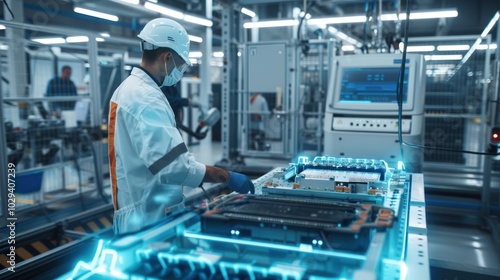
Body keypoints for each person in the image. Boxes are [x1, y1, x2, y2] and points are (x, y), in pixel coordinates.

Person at [107, 18, 254, 235]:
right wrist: (226, 177)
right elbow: (174, 167)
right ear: (167, 57)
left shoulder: (128, 88)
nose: (181, 70)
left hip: (141, 208)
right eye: (181, 63)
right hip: (149, 219)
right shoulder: (146, 98)